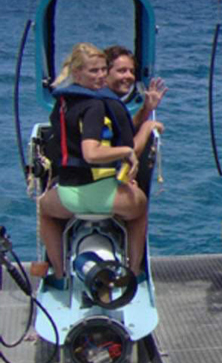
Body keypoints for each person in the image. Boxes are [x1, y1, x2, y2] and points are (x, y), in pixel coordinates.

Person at [37, 43, 148, 282]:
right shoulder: (96, 106)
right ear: (77, 74)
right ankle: (136, 271)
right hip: (101, 195)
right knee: (140, 209)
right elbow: (91, 153)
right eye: (93, 71)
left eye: (102, 70)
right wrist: (126, 151)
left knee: (44, 208)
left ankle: (58, 273)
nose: (100, 76)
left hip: (68, 195)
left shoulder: (64, 102)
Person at [104, 45, 166, 157]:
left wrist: (146, 109)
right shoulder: (102, 104)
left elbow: (123, 132)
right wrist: (147, 127)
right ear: (105, 73)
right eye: (122, 71)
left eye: (132, 71)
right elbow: (128, 152)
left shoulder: (111, 103)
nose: (129, 76)